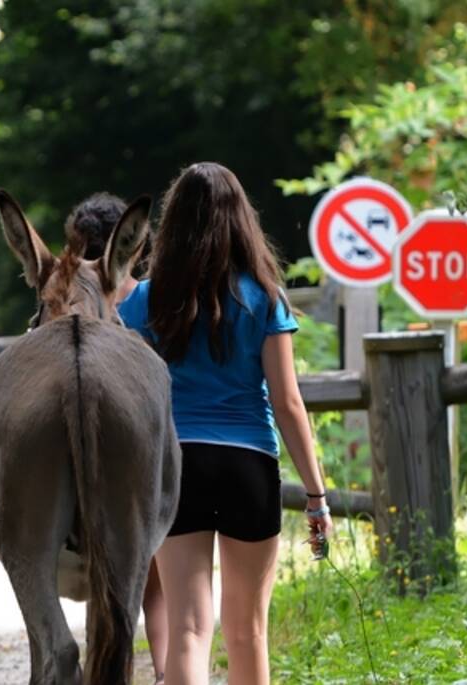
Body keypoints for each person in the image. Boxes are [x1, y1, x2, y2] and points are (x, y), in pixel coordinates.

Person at [117, 163, 331, 685]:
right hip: (249, 466)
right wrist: (316, 495)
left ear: (175, 222)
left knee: (189, 630)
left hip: (178, 466)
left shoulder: (145, 301)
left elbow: (133, 397)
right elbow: (287, 402)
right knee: (248, 632)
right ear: (241, 220)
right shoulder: (265, 296)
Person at [66, 191, 168, 684]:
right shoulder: (157, 299)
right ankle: (170, 672)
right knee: (155, 583)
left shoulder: (67, 304)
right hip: (156, 454)